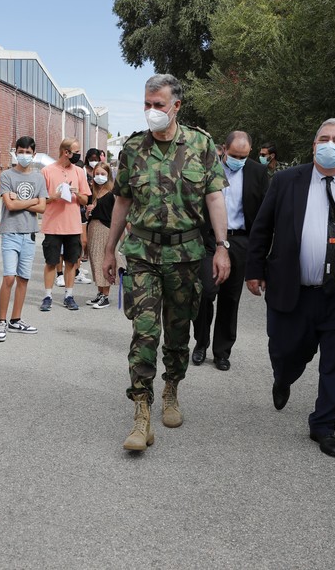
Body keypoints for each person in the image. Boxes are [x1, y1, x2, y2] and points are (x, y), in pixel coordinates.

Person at [245, 118, 335, 458]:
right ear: (314, 146)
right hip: (294, 291)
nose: (330, 145)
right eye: (323, 139)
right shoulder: (285, 181)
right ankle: (283, 377)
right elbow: (262, 228)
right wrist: (254, 270)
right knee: (286, 351)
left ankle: (324, 424)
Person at [101, 74, 231, 452]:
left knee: (177, 334)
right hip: (142, 254)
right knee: (144, 333)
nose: (152, 111)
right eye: (147, 104)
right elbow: (122, 201)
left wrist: (222, 247)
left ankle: (171, 389)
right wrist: (109, 250)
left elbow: (215, 200)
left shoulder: (200, 144)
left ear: (176, 106)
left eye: (159, 104)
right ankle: (141, 413)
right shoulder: (133, 148)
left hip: (186, 256)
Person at [191, 131, 268, 370]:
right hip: (209, 240)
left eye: (243, 156)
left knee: (231, 298)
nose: (238, 160)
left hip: (240, 241)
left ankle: (222, 351)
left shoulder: (258, 172)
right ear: (223, 149)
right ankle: (201, 342)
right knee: (205, 292)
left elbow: (265, 214)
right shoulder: (207, 168)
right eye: (234, 155)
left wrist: (260, 256)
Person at [0, 136, 48, 342]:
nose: (24, 155)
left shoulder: (39, 178)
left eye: (28, 152)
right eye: (21, 151)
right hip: (10, 232)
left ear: (34, 154)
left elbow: (42, 207)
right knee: (9, 277)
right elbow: (10, 206)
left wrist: (24, 200)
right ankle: (1, 320)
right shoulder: (7, 175)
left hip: (29, 234)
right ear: (15, 152)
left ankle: (15, 319)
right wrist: (33, 200)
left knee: (23, 278)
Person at [40, 138, 91, 312]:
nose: (78, 155)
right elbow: (41, 201)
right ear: (65, 152)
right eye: (76, 151)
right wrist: (53, 196)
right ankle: (47, 296)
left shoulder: (79, 172)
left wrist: (77, 194)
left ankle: (69, 295)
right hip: (52, 225)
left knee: (71, 262)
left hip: (73, 226)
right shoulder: (47, 171)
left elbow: (86, 199)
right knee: (51, 262)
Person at [85, 161, 115, 309]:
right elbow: (88, 214)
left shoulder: (111, 194)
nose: (99, 176)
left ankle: (106, 295)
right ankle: (100, 292)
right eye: (97, 173)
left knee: (103, 261)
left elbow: (114, 215)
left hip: (104, 229)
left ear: (108, 175)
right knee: (95, 261)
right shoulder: (93, 192)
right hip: (93, 228)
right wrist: (88, 211)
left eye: (102, 174)